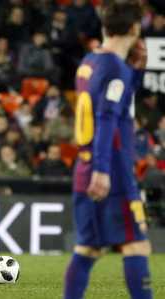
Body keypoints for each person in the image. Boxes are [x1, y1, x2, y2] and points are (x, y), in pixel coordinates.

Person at [64, 2, 153, 299]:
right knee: (136, 244)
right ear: (134, 29)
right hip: (111, 169)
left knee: (88, 248)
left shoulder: (90, 61)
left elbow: (114, 103)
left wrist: (136, 74)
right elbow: (106, 118)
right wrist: (103, 170)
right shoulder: (115, 68)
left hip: (84, 165)